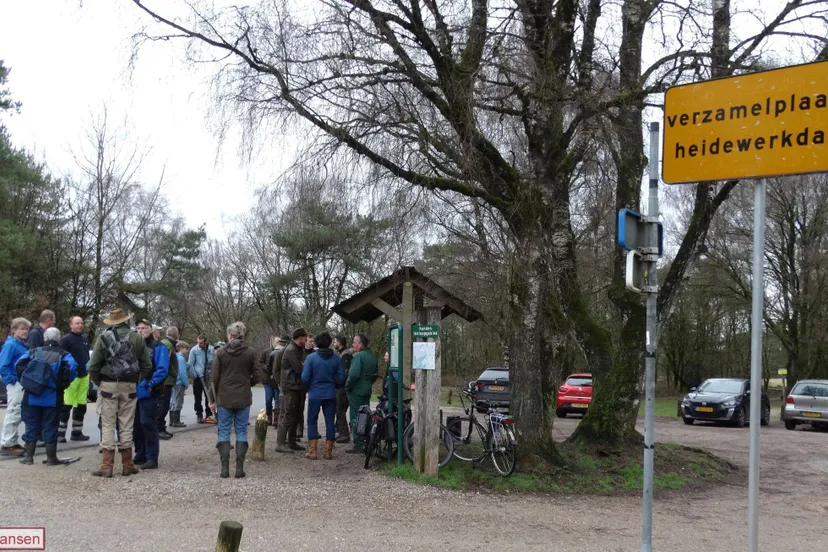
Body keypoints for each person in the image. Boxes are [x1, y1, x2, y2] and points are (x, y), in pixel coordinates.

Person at [87, 308, 152, 477]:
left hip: (108, 384)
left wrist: (98, 381)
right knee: (127, 424)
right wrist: (136, 381)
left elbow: (93, 365)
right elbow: (147, 365)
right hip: (129, 385)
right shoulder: (137, 338)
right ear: (125, 321)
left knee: (108, 424)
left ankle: (107, 466)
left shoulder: (103, 337)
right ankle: (127, 464)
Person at [15, 327, 78, 465]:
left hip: (31, 396)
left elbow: (18, 365)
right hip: (52, 397)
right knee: (50, 427)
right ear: (58, 339)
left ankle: (28, 458)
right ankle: (51, 459)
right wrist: (63, 383)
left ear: (44, 338)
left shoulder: (33, 352)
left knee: (31, 426)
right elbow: (73, 368)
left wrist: (26, 382)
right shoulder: (64, 354)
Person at [210, 321, 257, 478]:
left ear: (229, 335)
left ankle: (224, 469)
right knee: (241, 430)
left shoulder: (221, 353)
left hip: (224, 397)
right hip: (243, 396)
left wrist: (212, 399)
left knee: (224, 430)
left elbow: (214, 378)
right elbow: (258, 374)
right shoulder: (251, 352)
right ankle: (239, 468)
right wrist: (247, 383)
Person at [301, 332, 345, 460]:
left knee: (311, 421)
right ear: (329, 343)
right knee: (330, 422)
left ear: (317, 343)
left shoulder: (311, 358)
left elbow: (304, 377)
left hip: (314, 394)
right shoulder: (336, 359)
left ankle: (313, 451)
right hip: (330, 394)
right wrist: (333, 382)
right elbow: (341, 377)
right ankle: (328, 452)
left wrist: (310, 386)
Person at [132, 319, 169, 470]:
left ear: (150, 329)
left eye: (144, 328)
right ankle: (140, 453)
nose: (141, 331)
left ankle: (152, 457)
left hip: (149, 391)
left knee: (147, 423)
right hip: (134, 391)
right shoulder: (134, 346)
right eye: (138, 328)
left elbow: (162, 369)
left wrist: (151, 383)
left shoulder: (158, 347)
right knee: (136, 425)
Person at [0, 318, 32, 456]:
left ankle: (12, 441)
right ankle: (7, 443)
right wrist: (11, 381)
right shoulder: (11, 345)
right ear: (14, 330)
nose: (24, 331)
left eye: (26, 329)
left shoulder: (22, 344)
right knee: (13, 411)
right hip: (16, 383)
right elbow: (3, 366)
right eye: (21, 329)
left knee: (17, 412)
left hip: (22, 382)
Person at [274, 328, 308, 453]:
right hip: (290, 387)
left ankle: (292, 441)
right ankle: (280, 443)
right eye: (305, 337)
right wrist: (305, 365)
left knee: (296, 415)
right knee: (288, 415)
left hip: (297, 387)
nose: (306, 340)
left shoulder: (298, 349)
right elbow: (299, 369)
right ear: (300, 337)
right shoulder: (291, 350)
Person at [58, 316, 90, 443]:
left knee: (81, 405)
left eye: (81, 323)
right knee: (66, 405)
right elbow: (61, 358)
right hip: (71, 377)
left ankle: (77, 433)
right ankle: (60, 434)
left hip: (84, 376)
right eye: (77, 323)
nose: (80, 325)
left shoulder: (85, 338)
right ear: (71, 325)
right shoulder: (65, 339)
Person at [345, 333, 378, 454]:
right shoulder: (372, 356)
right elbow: (375, 375)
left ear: (360, 344)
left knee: (356, 416)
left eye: (355, 342)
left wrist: (347, 386)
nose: (353, 344)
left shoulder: (358, 356)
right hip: (367, 389)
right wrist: (368, 383)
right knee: (366, 414)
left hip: (356, 390)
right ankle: (366, 439)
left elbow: (353, 375)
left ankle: (358, 443)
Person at [157, 327, 180, 440]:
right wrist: (173, 373)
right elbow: (165, 362)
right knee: (163, 405)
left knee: (164, 405)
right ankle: (158, 429)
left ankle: (162, 427)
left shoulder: (167, 343)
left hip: (167, 379)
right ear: (176, 335)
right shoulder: (168, 345)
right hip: (166, 380)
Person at [188, 335, 215, 424]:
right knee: (198, 397)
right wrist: (195, 375)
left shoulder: (211, 350)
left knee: (209, 396)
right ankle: (199, 414)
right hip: (198, 377)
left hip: (208, 376)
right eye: (198, 342)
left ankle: (209, 414)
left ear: (205, 342)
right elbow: (191, 363)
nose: (199, 344)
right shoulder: (194, 350)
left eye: (201, 343)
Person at [334, 335, 353, 444]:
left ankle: (344, 434)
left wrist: (338, 381)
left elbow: (345, 372)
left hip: (342, 387)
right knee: (339, 410)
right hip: (341, 386)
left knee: (340, 410)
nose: (334, 343)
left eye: (335, 341)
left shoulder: (345, 354)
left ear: (339, 342)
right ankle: (340, 431)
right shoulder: (341, 353)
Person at [258, 335, 279, 427]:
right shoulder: (266, 352)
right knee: (268, 399)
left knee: (277, 400)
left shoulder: (282, 352)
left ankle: (276, 419)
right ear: (273, 343)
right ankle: (269, 416)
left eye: (279, 342)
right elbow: (260, 362)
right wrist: (266, 368)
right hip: (267, 380)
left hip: (277, 380)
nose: (278, 344)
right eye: (277, 342)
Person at [297, 333, 314, 440]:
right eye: (310, 341)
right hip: (301, 382)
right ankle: (299, 428)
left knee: (314, 408)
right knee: (300, 407)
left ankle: (314, 429)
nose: (312, 343)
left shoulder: (315, 353)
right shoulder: (300, 352)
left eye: (313, 341)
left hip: (313, 383)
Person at [170, 341, 189, 428]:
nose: (187, 351)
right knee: (178, 402)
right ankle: (176, 421)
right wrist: (186, 383)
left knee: (173, 401)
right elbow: (182, 373)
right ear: (181, 348)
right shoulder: (181, 359)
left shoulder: (175, 357)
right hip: (179, 383)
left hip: (174, 382)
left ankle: (172, 420)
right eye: (186, 348)